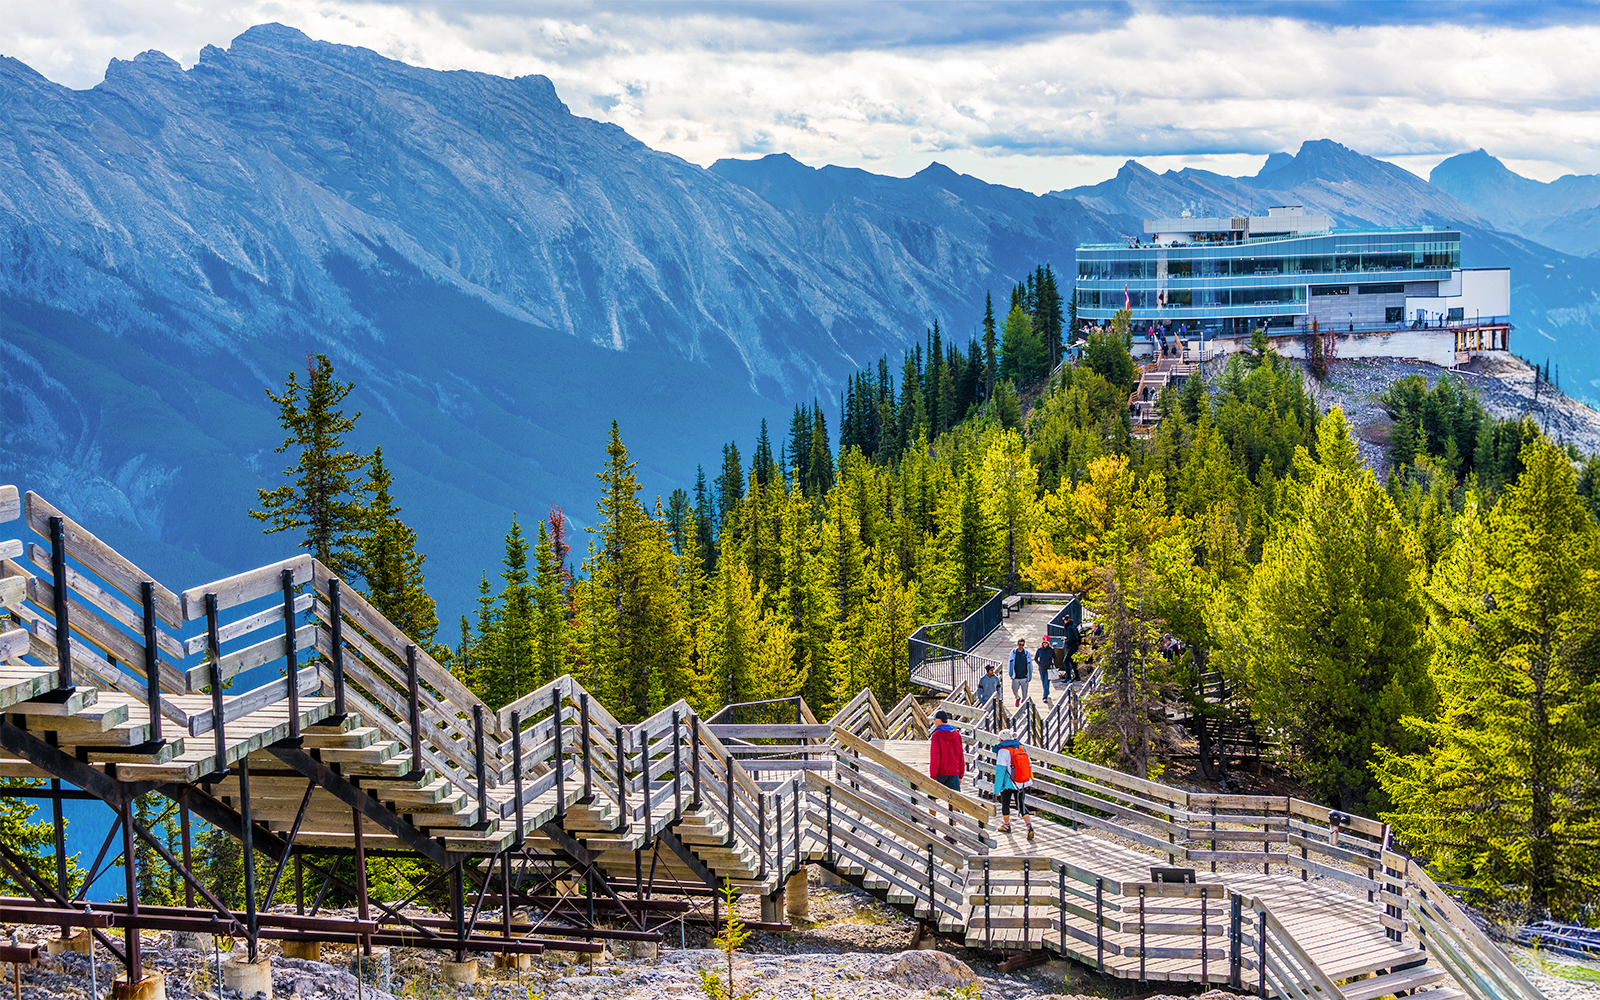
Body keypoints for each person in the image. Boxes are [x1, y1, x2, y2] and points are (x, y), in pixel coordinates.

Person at [992, 727, 1034, 839]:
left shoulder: (1003, 751)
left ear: (1001, 740)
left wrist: (996, 789)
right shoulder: (1021, 748)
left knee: (1005, 803)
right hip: (1023, 782)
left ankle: (1006, 825)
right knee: (1021, 804)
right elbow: (1029, 765)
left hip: (1008, 783)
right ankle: (1029, 826)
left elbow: (1000, 772)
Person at [928, 710, 964, 792]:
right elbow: (960, 755)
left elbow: (935, 756)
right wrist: (961, 774)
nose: (934, 722)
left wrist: (933, 775)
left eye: (934, 720)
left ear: (939, 720)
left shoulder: (936, 735)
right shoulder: (957, 735)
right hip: (954, 772)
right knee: (955, 799)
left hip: (940, 773)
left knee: (932, 797)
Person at [1008, 638, 1031, 707]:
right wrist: (1011, 674)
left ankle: (1024, 707)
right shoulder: (1013, 653)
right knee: (1014, 689)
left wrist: (1029, 675)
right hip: (1016, 676)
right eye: (1020, 644)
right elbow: (1010, 663)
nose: (1021, 646)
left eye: (1023, 645)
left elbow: (1030, 665)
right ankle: (1017, 697)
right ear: (1017, 644)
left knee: (1025, 693)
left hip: (1024, 676)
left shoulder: (1026, 653)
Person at [1035, 636, 1056, 705]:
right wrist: (1039, 664)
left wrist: (1052, 663)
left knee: (1046, 682)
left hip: (1048, 668)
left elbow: (1055, 657)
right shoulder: (1039, 650)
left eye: (1046, 643)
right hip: (1041, 668)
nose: (1045, 644)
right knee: (1043, 682)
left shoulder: (1051, 650)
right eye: (1044, 643)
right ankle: (1047, 692)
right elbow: (1035, 658)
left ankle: (1045, 697)